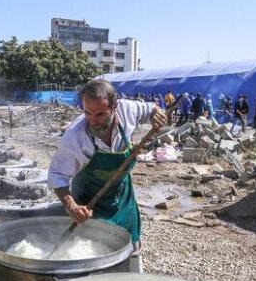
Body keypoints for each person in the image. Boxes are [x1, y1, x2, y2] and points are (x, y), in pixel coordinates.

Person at [48, 79, 167, 270]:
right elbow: (57, 174)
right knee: (94, 254)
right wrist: (71, 206)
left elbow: (150, 109)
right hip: (89, 203)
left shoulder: (128, 110)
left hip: (123, 198)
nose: (93, 121)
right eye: (88, 113)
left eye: (101, 114)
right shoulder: (74, 137)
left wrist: (157, 114)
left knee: (131, 248)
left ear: (114, 107)